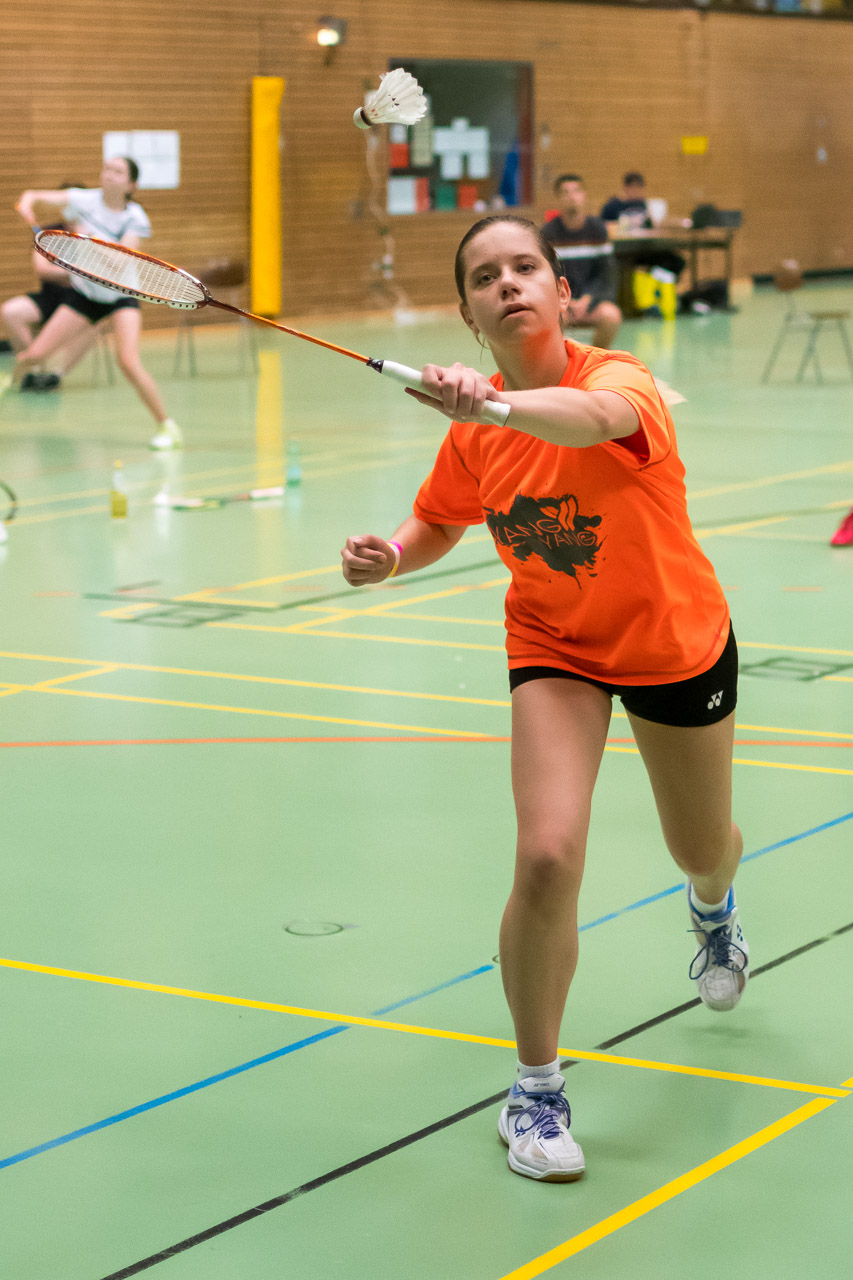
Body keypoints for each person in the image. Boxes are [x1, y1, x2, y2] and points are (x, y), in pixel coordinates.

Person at [340, 215, 748, 1185]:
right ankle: (534, 1089)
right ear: (468, 313)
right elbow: (438, 520)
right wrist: (391, 555)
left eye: (526, 267)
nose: (509, 283)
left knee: (699, 843)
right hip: (553, 644)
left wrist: (494, 406)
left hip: (671, 641)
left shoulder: (620, 381)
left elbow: (591, 420)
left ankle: (713, 905)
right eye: (486, 277)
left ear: (563, 292)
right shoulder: (475, 432)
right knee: (546, 853)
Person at [13, 157, 182, 450]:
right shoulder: (84, 200)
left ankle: (166, 425)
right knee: (35, 355)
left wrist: (89, 237)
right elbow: (36, 196)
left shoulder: (136, 218)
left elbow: (119, 263)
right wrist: (27, 203)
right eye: (106, 169)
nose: (109, 174)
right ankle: (8, 383)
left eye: (118, 171)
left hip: (120, 296)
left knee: (127, 361)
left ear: (131, 185)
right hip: (85, 295)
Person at [1, 187, 99, 392]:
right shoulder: (48, 234)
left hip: (80, 300)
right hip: (50, 297)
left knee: (97, 322)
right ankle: (36, 368)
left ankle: (55, 375)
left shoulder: (97, 237)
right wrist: (76, 272)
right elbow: (43, 270)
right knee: (11, 312)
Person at [540, 175, 621, 348]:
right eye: (566, 192)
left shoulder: (598, 229)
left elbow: (607, 275)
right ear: (558, 198)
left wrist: (588, 299)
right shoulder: (548, 234)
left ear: (584, 195)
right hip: (562, 304)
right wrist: (566, 301)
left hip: (591, 302)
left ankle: (597, 357)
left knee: (611, 315)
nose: (572, 197)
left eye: (577, 191)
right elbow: (545, 277)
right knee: (551, 320)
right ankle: (562, 361)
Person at [601, 172, 687, 281]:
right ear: (626, 188)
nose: (636, 191)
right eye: (634, 187)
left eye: (639, 188)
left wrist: (653, 222)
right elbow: (603, 226)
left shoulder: (642, 204)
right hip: (622, 251)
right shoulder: (612, 206)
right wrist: (625, 222)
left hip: (643, 248)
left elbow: (650, 225)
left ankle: (656, 285)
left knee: (676, 261)